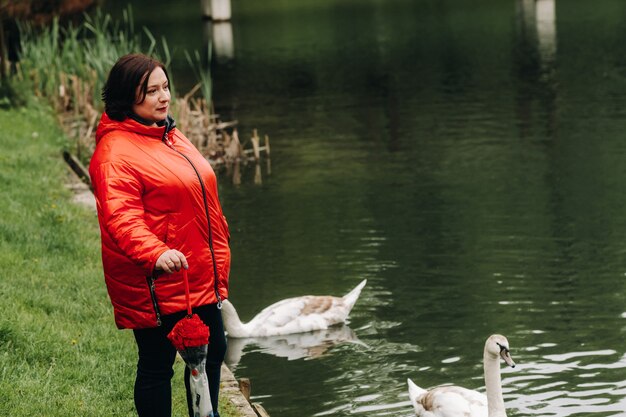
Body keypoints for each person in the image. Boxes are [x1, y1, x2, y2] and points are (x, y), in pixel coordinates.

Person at [88, 53, 231, 417]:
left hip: (198, 271)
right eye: (151, 91)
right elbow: (121, 218)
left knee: (212, 351)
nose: (163, 97)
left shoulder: (168, 133)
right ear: (126, 97)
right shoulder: (115, 152)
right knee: (157, 363)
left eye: (165, 87)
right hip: (158, 278)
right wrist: (156, 253)